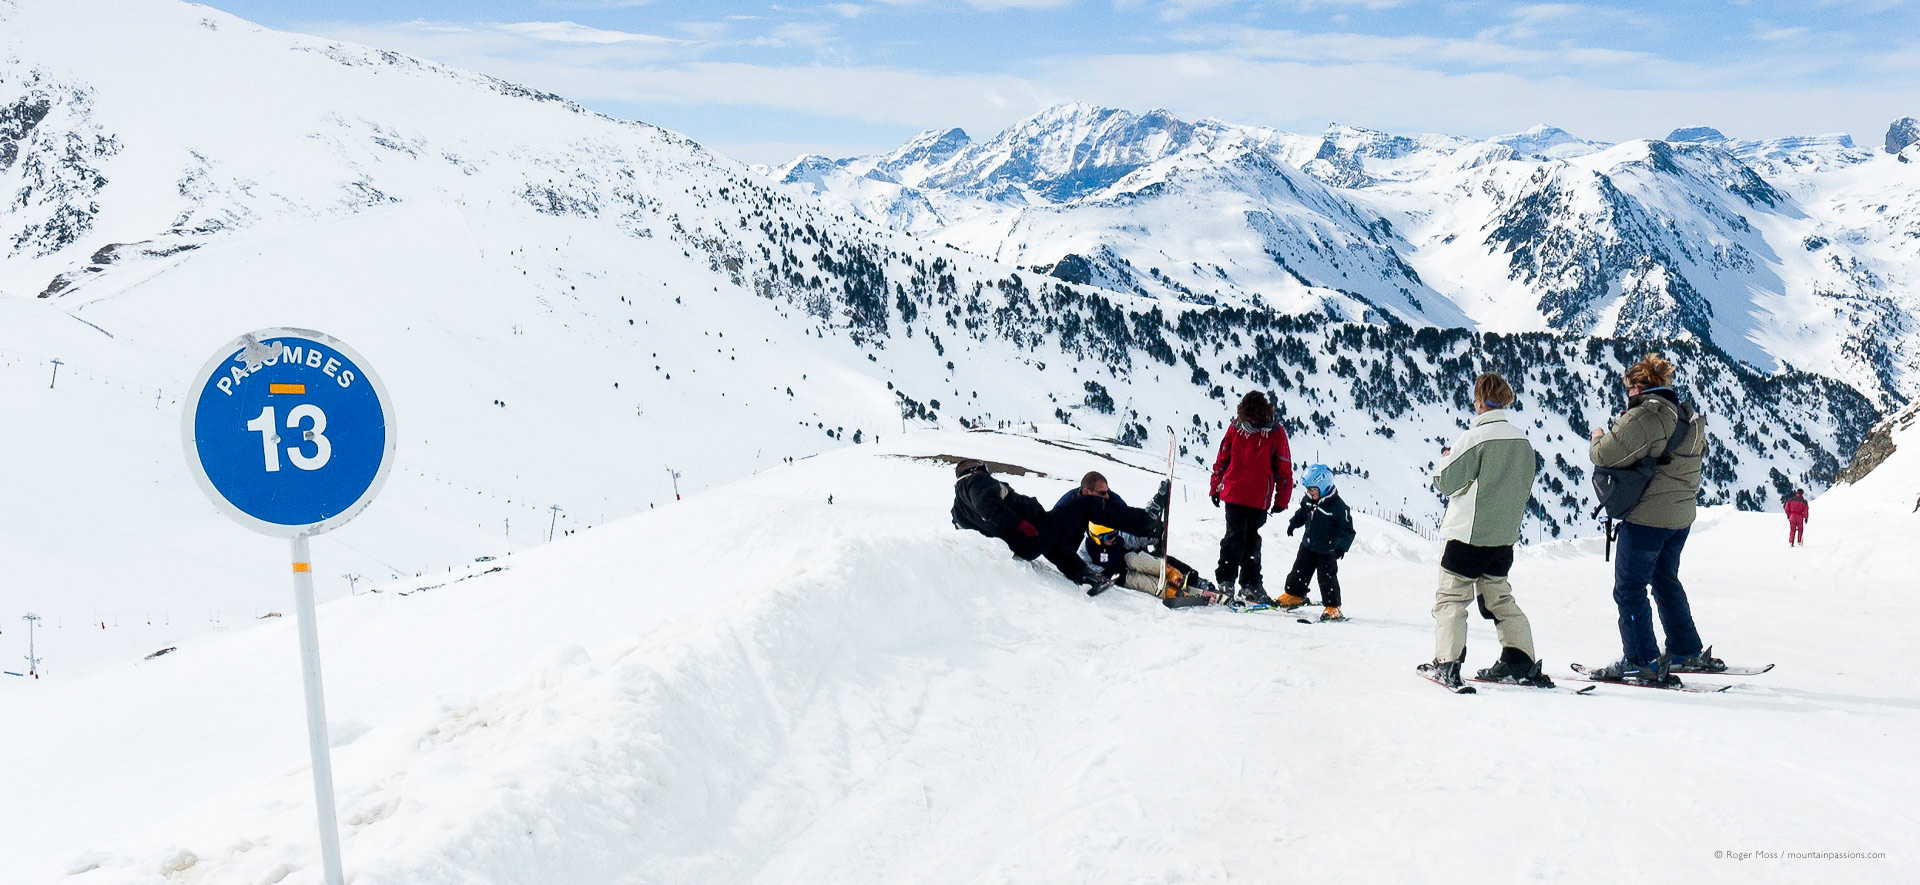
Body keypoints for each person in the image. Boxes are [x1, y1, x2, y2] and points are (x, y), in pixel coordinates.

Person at [1586, 355, 1725, 683]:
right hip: (1681, 516)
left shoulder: (1646, 417)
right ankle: (1685, 648)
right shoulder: (1688, 416)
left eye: (1629, 389)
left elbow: (1604, 454)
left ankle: (1641, 659)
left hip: (1648, 518)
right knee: (1665, 580)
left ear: (1637, 387)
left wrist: (1597, 436)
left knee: (1630, 587)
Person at [1417, 372, 1553, 691]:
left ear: (1478, 401)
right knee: (1499, 598)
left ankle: (1447, 663)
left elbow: (1446, 482)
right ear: (1505, 400)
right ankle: (1520, 660)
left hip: (1468, 534)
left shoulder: (1474, 438)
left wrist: (1445, 460)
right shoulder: (1522, 440)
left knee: (1451, 598)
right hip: (1503, 537)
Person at [952, 459, 1160, 589]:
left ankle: (1085, 576)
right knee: (1088, 505)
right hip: (1031, 527)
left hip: (1024, 544)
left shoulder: (958, 508)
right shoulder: (977, 481)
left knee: (1052, 544)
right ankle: (1148, 523)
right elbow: (988, 508)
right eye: (985, 467)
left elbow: (966, 532)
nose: (987, 471)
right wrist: (1019, 524)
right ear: (976, 469)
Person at [1209, 391, 1294, 604]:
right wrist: (1216, 487)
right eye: (1250, 418)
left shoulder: (1275, 433)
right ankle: (1229, 581)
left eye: (1256, 418)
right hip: (1236, 494)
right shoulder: (1236, 428)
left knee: (1250, 540)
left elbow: (1283, 467)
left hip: (1258, 498)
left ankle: (1249, 583)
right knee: (1236, 538)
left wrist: (1282, 499)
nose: (1253, 421)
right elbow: (1223, 458)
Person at [1280, 464, 1355, 621]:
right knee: (1299, 571)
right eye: (1307, 490)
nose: (1308, 493)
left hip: (1327, 550)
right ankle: (1295, 595)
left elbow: (1347, 530)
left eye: (1312, 489)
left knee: (1327, 579)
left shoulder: (1339, 508)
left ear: (1324, 486)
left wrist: (1341, 547)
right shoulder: (1308, 500)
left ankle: (1333, 607)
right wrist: (1293, 523)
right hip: (1308, 545)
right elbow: (1302, 513)